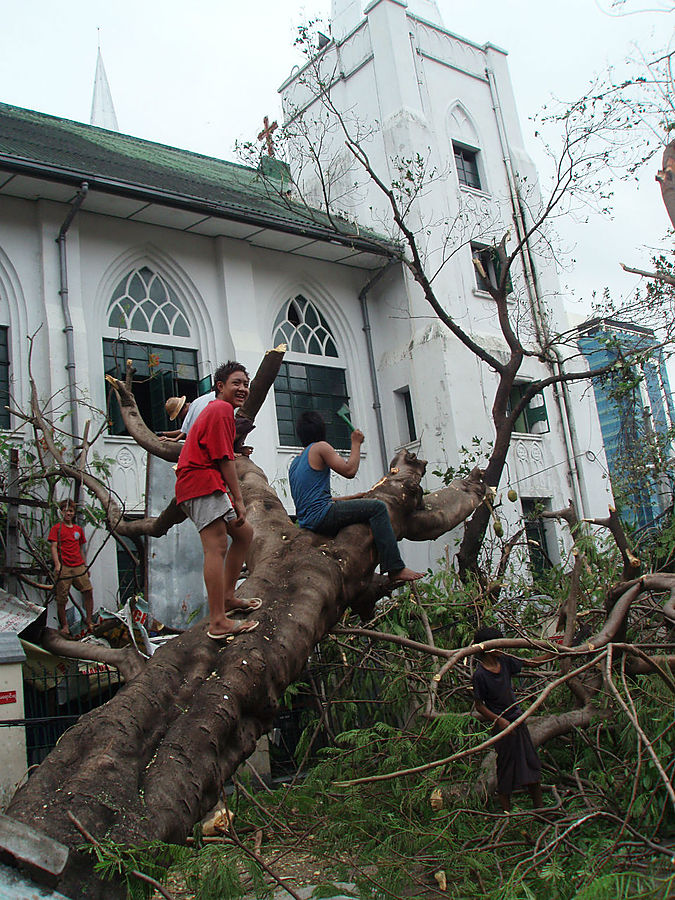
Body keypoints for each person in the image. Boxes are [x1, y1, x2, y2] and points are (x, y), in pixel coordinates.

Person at [175, 361, 259, 640]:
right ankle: (218, 621)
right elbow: (224, 459)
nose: (243, 388)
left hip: (207, 483)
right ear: (220, 386)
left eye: (246, 384)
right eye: (236, 383)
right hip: (200, 483)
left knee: (244, 534)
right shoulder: (221, 409)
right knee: (217, 546)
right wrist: (238, 499)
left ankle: (227, 597)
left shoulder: (219, 411)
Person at [289, 411, 424, 583]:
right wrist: (356, 443)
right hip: (322, 516)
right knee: (378, 508)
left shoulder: (295, 462)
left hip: (307, 520)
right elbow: (349, 471)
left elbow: (313, 500)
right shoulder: (321, 447)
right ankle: (395, 568)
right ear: (321, 429)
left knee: (365, 504)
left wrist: (354, 497)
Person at [472, 625, 552, 813]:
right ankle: (506, 813)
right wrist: (499, 720)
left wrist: (555, 652)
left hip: (517, 720)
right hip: (502, 727)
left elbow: (530, 663)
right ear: (487, 648)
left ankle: (539, 810)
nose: (502, 648)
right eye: (499, 645)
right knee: (506, 766)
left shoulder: (505, 661)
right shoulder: (480, 675)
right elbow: (479, 706)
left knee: (531, 761)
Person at [48, 499, 94, 637]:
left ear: (73, 513)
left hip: (78, 565)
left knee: (88, 591)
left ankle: (89, 620)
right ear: (61, 512)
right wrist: (57, 565)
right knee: (61, 598)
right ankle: (65, 626)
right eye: (65, 510)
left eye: (71, 511)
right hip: (65, 567)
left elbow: (80, 548)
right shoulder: (57, 528)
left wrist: (85, 565)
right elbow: (54, 547)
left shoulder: (78, 529)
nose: (68, 513)